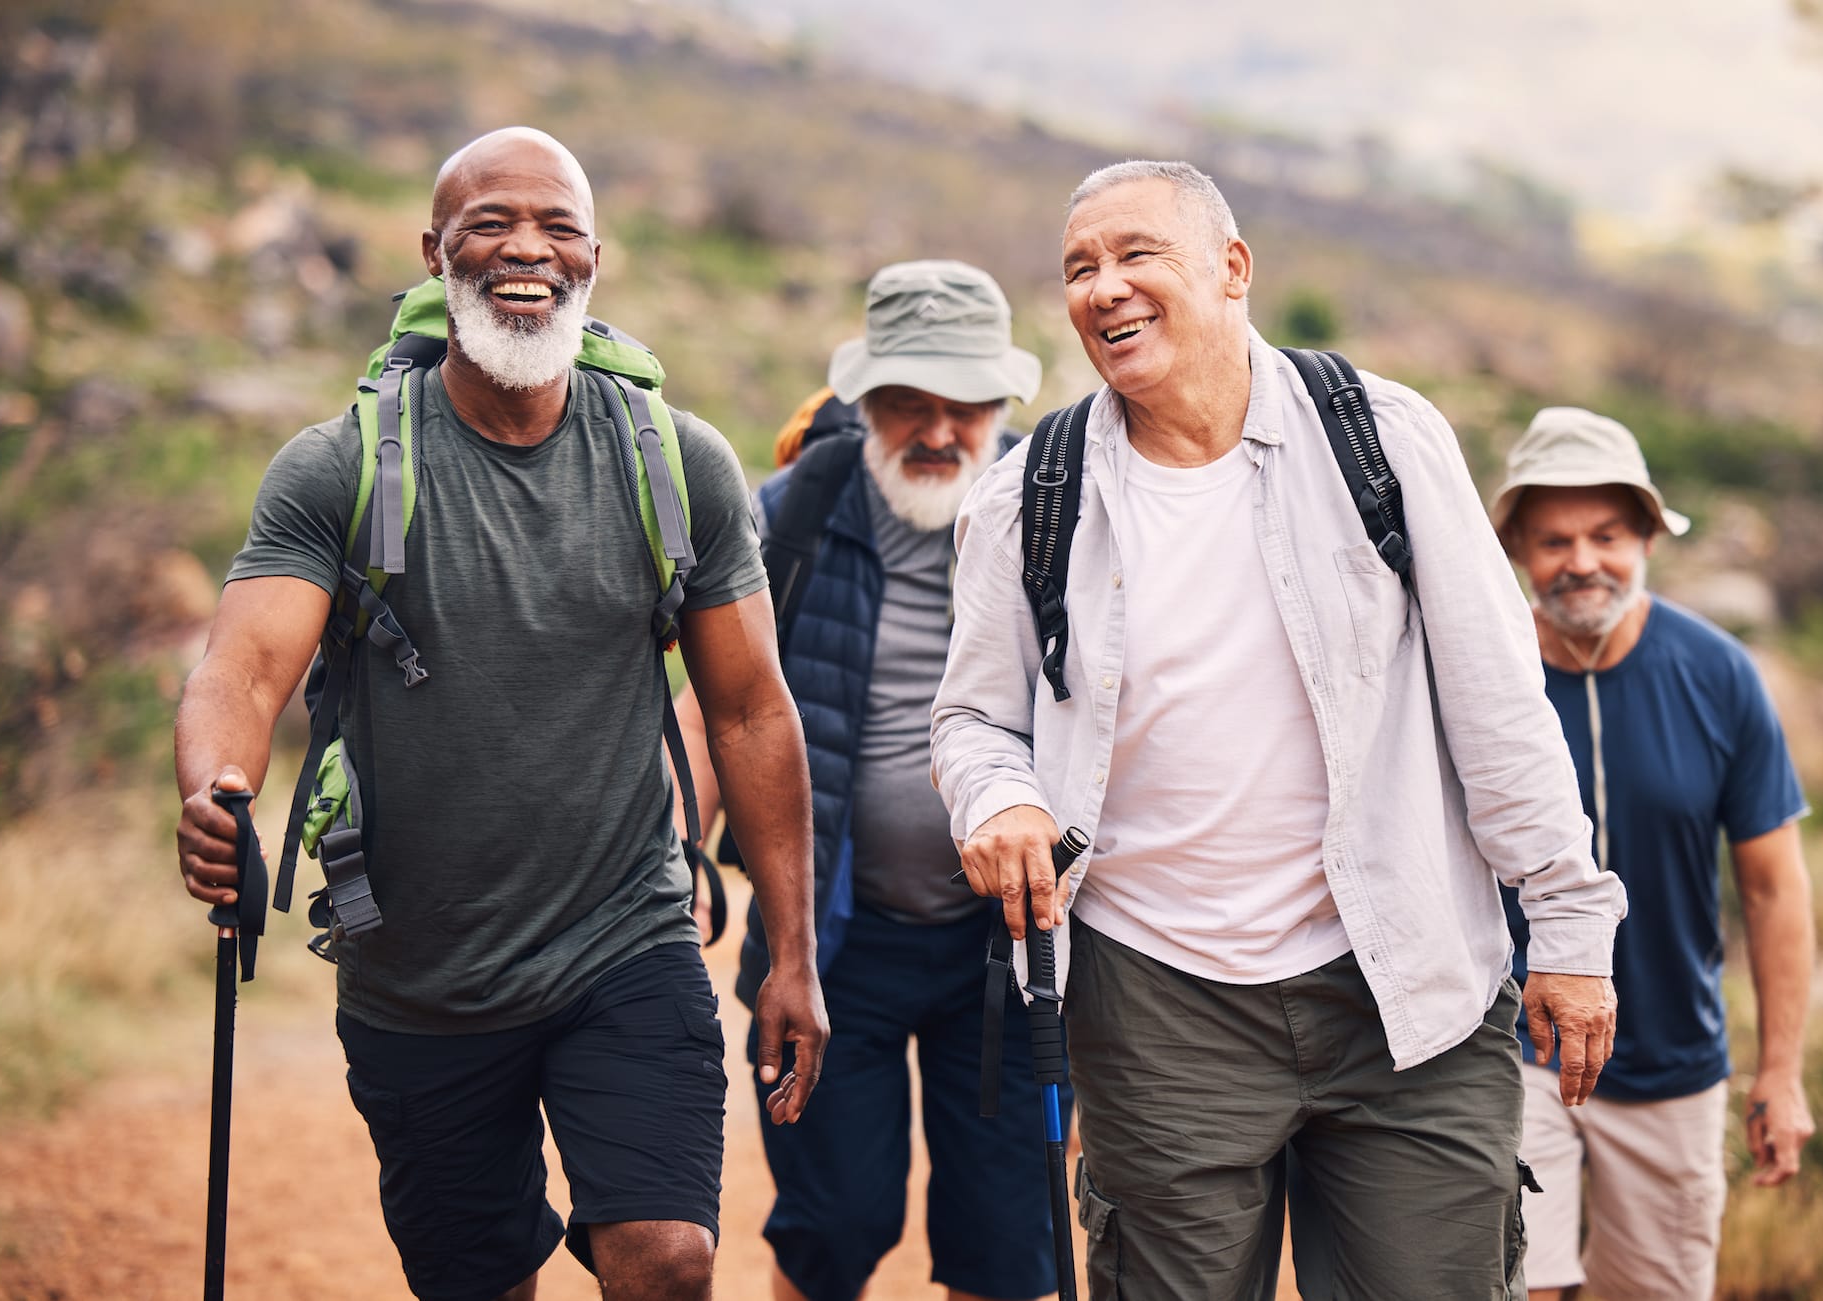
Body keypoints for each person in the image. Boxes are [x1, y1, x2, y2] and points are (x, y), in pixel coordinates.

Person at [930, 159, 1630, 1300]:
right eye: (1078, 269)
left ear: (1231, 268)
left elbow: (1497, 702)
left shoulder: (1382, 440)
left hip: (1407, 985)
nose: (1102, 289)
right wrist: (996, 794)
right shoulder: (1027, 495)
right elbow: (970, 715)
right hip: (1156, 1000)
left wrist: (1565, 918)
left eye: (1134, 255)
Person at [172, 126, 828, 1301]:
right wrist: (216, 784)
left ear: (592, 259)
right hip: (418, 972)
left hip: (625, 937)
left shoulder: (678, 465)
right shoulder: (339, 468)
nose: (526, 249)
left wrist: (792, 953)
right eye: (490, 224)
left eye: (558, 227)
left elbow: (748, 712)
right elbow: (241, 669)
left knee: (668, 1257)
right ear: (435, 255)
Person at [675, 259, 1067, 1301]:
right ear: (863, 398)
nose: (939, 430)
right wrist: (669, 857)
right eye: (908, 404)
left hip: (1010, 946)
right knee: (832, 1226)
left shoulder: (1061, 512)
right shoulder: (787, 514)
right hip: (825, 939)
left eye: (966, 405)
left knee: (1005, 1240)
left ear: (1000, 402)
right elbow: (715, 705)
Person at [1489, 407, 1815, 1301]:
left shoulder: (1720, 674)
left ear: (1648, 539)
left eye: (1606, 534)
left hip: (1674, 1062)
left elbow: (1774, 888)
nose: (1582, 560)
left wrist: (1781, 1072)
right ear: (1517, 548)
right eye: (1554, 540)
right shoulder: (1483, 670)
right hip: (1511, 1052)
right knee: (1512, 1288)